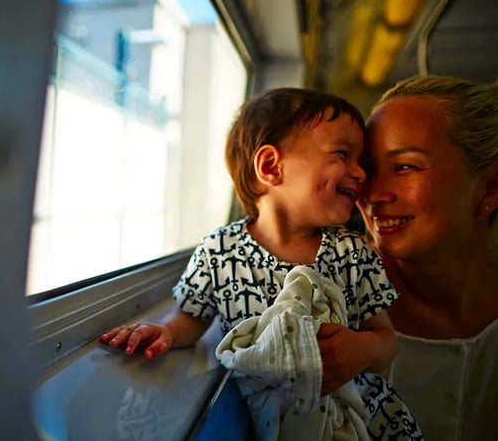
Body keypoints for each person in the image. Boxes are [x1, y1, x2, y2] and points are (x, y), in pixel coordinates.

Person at [100, 88, 421, 439]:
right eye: (343, 154)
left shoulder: (353, 253)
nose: (360, 173)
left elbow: (386, 340)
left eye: (361, 161)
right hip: (264, 419)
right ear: (271, 166)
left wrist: (361, 349)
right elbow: (189, 319)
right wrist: (164, 332)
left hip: (356, 417)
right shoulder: (219, 251)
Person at [356, 75, 498, 441]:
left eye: (405, 167)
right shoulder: (341, 310)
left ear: (490, 188)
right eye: (367, 170)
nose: (372, 193)